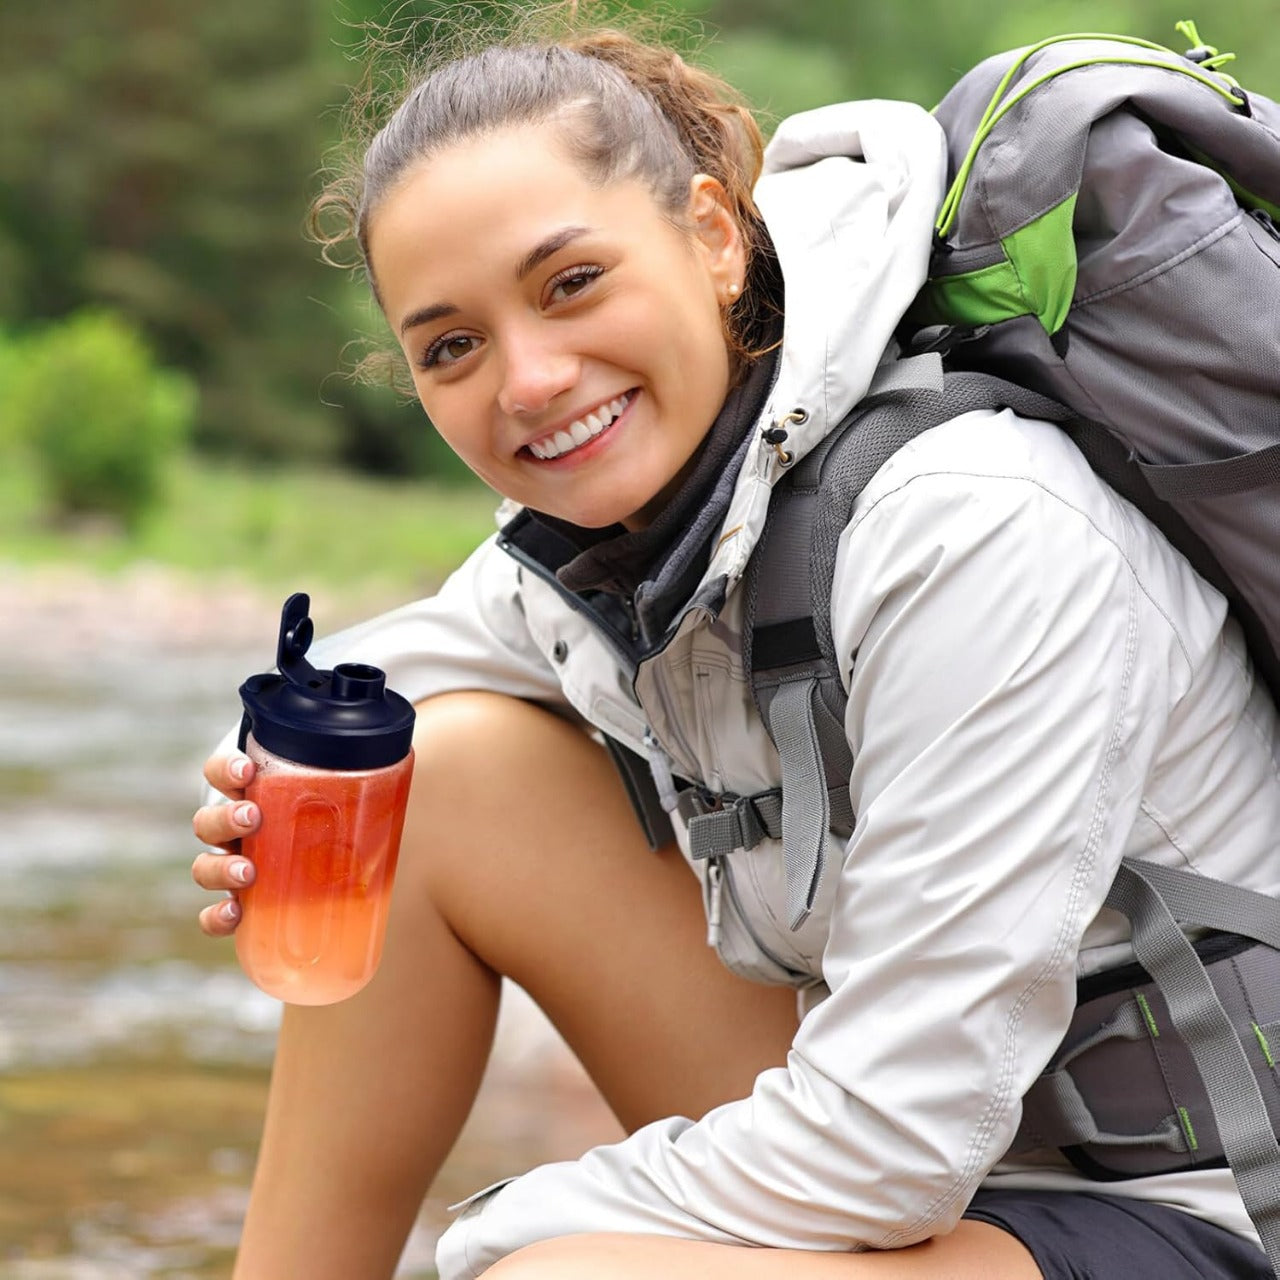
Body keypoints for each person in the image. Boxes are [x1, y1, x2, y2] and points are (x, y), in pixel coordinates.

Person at [190, 8, 1280, 1279]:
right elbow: (390, 672)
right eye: (452, 345)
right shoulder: (613, 541)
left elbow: (886, 1144)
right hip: (956, 1155)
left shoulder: (970, 525)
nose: (528, 378)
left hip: (1198, 1200)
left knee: (553, 1278)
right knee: (426, 773)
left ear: (713, 235)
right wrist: (258, 782)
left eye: (570, 283)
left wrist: (492, 1234)